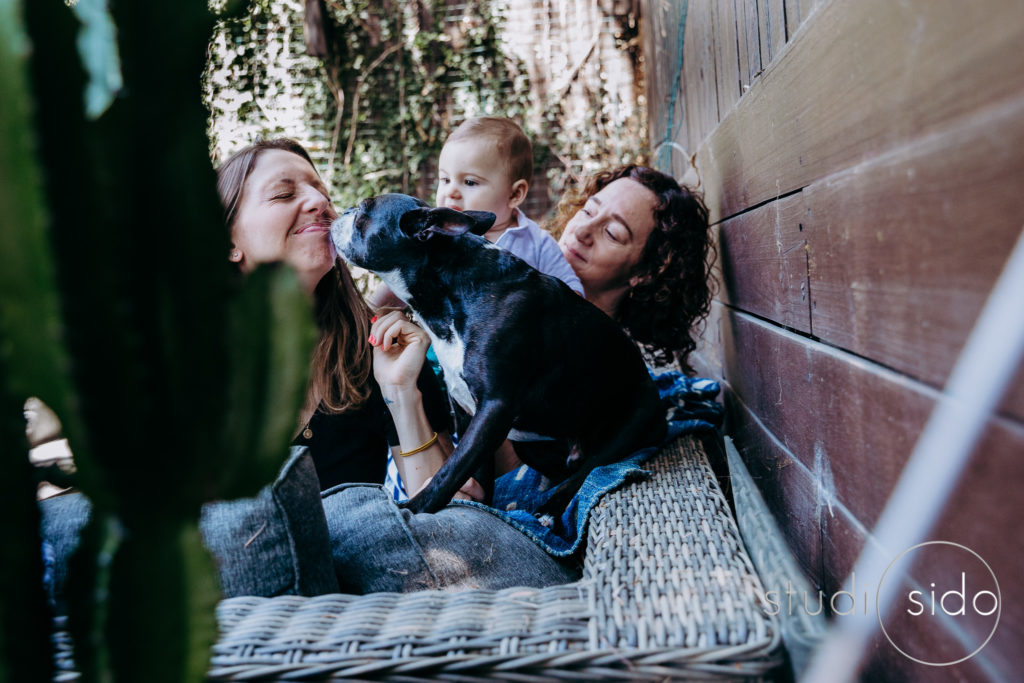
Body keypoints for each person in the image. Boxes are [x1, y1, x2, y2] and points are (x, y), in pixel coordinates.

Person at [216, 139, 455, 494]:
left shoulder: (382, 347)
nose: (320, 202)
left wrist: (401, 392)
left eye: (322, 193)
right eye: (283, 194)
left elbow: (448, 525)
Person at [369, 116, 583, 309]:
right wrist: (368, 312)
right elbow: (398, 283)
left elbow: (573, 295)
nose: (451, 191)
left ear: (515, 194)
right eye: (445, 179)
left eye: (469, 182)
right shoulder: (435, 237)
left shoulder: (536, 243)